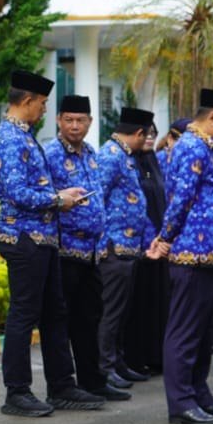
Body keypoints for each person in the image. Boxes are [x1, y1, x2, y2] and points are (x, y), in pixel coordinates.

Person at [0, 70, 103, 417]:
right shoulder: (10, 137)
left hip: (44, 239)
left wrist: (59, 195)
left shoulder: (24, 135)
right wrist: (58, 199)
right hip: (23, 237)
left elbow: (32, 188)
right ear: (26, 102)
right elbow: (15, 193)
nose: (43, 111)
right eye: (41, 104)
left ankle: (62, 385)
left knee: (56, 313)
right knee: (23, 315)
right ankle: (17, 391)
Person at [149, 88, 213, 424]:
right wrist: (165, 237)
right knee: (185, 331)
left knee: (203, 333)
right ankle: (181, 402)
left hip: (209, 254)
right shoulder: (191, 146)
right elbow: (180, 200)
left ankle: (200, 395)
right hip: (191, 253)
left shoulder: (206, 149)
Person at [43, 95, 125, 404]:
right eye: (69, 120)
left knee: (89, 319)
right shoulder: (49, 154)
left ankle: (94, 381)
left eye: (80, 120)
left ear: (90, 122)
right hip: (64, 252)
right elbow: (43, 196)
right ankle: (63, 387)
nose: (75, 126)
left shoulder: (92, 154)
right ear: (58, 121)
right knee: (60, 321)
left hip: (92, 253)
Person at [96, 106, 155, 391]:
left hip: (129, 248)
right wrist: (104, 242)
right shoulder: (110, 155)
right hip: (114, 248)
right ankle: (104, 369)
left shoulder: (124, 156)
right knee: (110, 312)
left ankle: (117, 362)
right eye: (146, 136)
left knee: (121, 313)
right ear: (139, 133)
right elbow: (97, 200)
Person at [124, 123, 170, 376]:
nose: (150, 138)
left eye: (153, 133)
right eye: (145, 133)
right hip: (138, 244)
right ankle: (134, 358)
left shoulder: (153, 163)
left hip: (158, 245)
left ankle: (156, 356)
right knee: (137, 304)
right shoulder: (129, 164)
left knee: (158, 301)